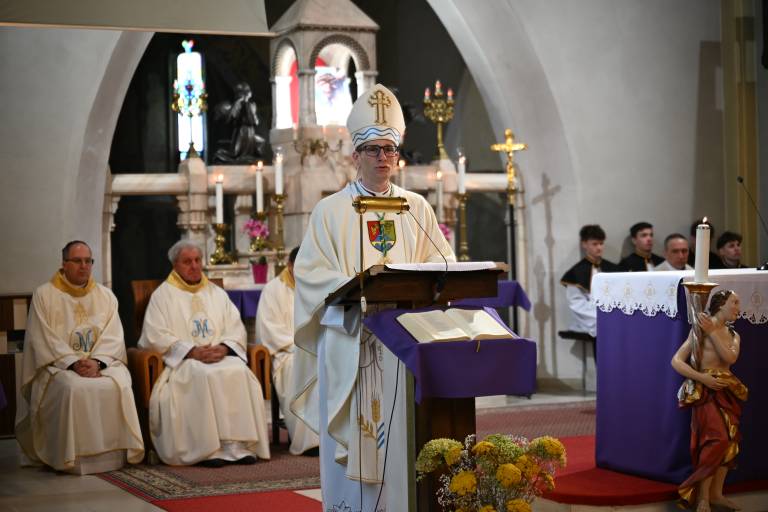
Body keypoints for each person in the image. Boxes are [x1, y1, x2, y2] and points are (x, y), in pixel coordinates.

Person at [290, 83, 455, 511]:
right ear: (355, 155)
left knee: (401, 444)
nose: (383, 158)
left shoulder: (417, 208)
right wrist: (358, 288)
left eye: (390, 149)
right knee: (359, 447)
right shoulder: (330, 211)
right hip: (353, 343)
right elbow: (310, 275)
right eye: (373, 150)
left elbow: (443, 264)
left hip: (404, 344)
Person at [16, 241, 144, 474]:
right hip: (59, 365)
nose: (84, 266)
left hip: (99, 363)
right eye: (77, 261)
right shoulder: (44, 295)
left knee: (121, 383)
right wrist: (73, 362)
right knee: (73, 387)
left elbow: (114, 336)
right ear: (64, 264)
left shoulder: (105, 296)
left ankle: (113, 456)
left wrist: (97, 362)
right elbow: (43, 338)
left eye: (88, 261)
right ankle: (71, 458)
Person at [139, 240, 270, 466]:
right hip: (183, 363)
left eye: (197, 260)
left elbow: (235, 327)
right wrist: (191, 351)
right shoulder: (163, 296)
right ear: (175, 265)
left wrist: (224, 347)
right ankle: (208, 450)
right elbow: (155, 334)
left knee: (239, 370)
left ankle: (238, 447)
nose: (194, 266)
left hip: (218, 356)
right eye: (187, 262)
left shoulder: (216, 293)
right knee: (203, 375)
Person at [671, 290, 747, 512]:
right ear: (721, 304)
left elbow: (730, 358)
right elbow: (677, 361)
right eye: (734, 302)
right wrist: (702, 378)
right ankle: (702, 497)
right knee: (717, 440)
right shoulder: (699, 330)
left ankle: (716, 494)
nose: (738, 307)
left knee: (730, 441)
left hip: (727, 391)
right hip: (706, 392)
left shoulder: (733, 335)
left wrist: (712, 333)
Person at [255, 246, 319, 455]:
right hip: (286, 352)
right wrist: (301, 345)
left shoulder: (317, 286)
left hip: (316, 348)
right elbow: (269, 329)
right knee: (300, 365)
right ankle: (309, 440)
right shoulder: (272, 290)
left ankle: (333, 437)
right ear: (290, 265)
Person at [560, 224, 621, 337]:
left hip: (614, 316)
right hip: (590, 319)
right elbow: (576, 303)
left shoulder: (613, 268)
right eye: (595, 244)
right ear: (584, 244)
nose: (599, 248)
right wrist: (600, 316)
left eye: (601, 243)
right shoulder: (576, 272)